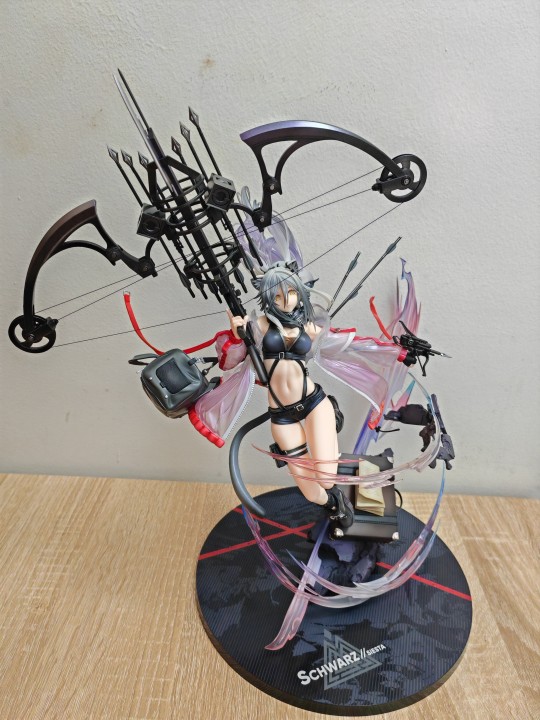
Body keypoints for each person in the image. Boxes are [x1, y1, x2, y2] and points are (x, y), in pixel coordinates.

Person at [227, 262, 354, 536]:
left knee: (326, 477)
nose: (285, 300)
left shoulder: (311, 326)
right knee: (312, 491)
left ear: (300, 292)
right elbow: (231, 360)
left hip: (312, 403)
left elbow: (344, 346)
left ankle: (331, 412)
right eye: (277, 296)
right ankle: (334, 504)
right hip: (282, 416)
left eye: (291, 293)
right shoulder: (259, 326)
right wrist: (236, 335)